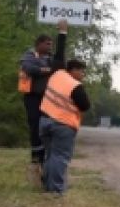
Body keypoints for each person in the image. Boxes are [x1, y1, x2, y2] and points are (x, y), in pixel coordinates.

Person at [18, 20, 68, 183]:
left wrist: (46, 69)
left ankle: (45, 159)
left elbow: (59, 66)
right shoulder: (29, 55)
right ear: (39, 44)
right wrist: (45, 69)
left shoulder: (49, 57)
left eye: (51, 44)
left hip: (47, 98)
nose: (49, 47)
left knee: (45, 126)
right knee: (34, 125)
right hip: (32, 97)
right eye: (47, 44)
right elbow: (28, 68)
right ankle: (36, 157)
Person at [38, 58, 90, 196]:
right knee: (59, 157)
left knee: (50, 155)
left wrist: (62, 35)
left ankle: (48, 186)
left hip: (44, 121)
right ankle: (55, 190)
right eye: (81, 71)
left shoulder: (56, 75)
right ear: (73, 70)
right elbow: (85, 105)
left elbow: (59, 54)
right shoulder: (75, 86)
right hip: (63, 125)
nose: (82, 74)